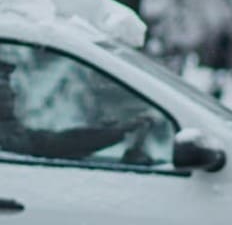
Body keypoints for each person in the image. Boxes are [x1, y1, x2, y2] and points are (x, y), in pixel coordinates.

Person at [0, 60, 134, 159]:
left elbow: (52, 143)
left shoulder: (8, 129)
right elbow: (50, 145)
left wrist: (106, 133)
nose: (13, 93)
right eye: (4, 84)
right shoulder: (7, 139)